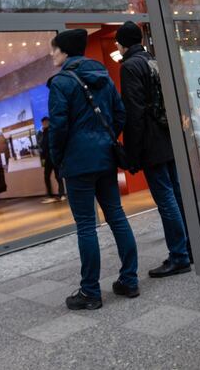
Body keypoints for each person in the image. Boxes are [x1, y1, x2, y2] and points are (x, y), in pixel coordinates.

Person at [47, 28, 139, 310]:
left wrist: (57, 159)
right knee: (117, 216)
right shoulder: (102, 76)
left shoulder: (62, 82)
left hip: (77, 163)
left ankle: (90, 292)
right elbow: (120, 113)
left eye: (54, 49)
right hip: (105, 158)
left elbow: (59, 127)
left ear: (64, 51)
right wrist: (105, 139)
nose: (51, 54)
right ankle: (129, 280)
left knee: (87, 225)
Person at [115, 21, 192, 278]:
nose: (116, 46)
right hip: (168, 138)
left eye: (118, 42)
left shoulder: (129, 67)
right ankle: (189, 249)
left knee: (166, 200)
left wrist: (132, 155)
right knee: (177, 194)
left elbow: (134, 113)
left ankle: (179, 255)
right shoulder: (153, 61)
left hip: (151, 143)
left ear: (124, 43)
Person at [39, 116, 65, 200]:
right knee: (47, 176)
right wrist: (42, 158)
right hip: (47, 159)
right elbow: (43, 146)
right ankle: (50, 195)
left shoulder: (52, 131)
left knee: (58, 176)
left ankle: (62, 194)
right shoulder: (43, 133)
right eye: (43, 123)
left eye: (46, 122)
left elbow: (55, 143)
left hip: (54, 157)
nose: (44, 124)